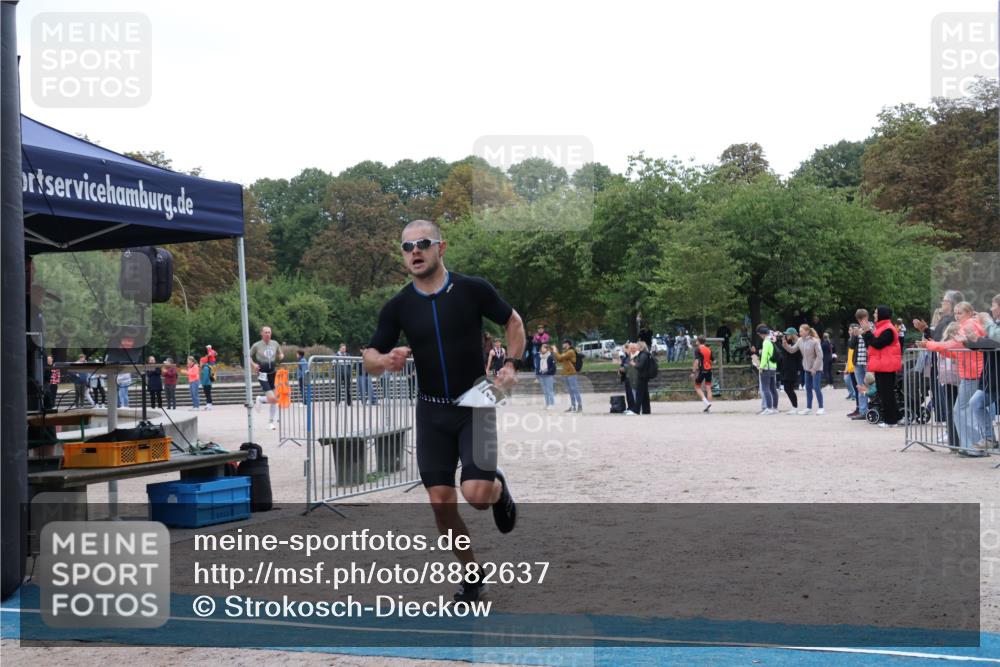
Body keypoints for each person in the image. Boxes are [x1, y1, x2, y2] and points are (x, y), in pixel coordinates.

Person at [363, 219, 524, 605]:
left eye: (423, 243)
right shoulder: (399, 306)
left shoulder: (472, 289)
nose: (415, 251)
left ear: (441, 247)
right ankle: (472, 576)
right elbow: (369, 357)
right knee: (440, 502)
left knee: (477, 496)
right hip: (431, 410)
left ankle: (497, 488)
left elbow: (513, 321)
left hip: (477, 401)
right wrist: (384, 360)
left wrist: (511, 365)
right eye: (407, 247)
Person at [860, 305, 902, 428]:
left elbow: (877, 344)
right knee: (885, 393)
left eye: (876, 313)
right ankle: (896, 417)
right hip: (882, 365)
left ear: (882, 314)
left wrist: (868, 332)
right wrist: (866, 333)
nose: (874, 315)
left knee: (886, 394)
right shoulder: (881, 328)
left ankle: (890, 421)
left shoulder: (888, 329)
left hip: (886, 366)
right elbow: (870, 343)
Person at [784, 325, 824, 415]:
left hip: (816, 368)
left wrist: (814, 368)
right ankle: (808, 408)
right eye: (799, 331)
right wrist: (785, 345)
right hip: (806, 368)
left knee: (816, 387)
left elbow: (820, 356)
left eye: (801, 331)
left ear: (807, 331)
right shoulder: (800, 340)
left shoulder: (815, 341)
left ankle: (821, 407)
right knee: (808, 388)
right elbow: (792, 350)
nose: (799, 333)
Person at [250, 326, 284, 429]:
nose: (268, 334)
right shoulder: (256, 345)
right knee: (272, 398)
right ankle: (260, 399)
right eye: (266, 332)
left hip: (273, 373)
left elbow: (280, 353)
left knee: (276, 398)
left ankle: (270, 422)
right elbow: (248, 356)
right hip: (263, 374)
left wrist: (281, 356)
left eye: (269, 332)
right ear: (261, 333)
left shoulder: (275, 343)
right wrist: (254, 365)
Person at [849, 309, 871, 421]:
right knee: (860, 387)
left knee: (871, 386)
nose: (861, 321)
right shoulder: (857, 329)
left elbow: (871, 343)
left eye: (863, 318)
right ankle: (863, 411)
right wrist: (854, 335)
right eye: (859, 319)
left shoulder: (871, 327)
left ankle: (874, 409)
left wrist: (865, 332)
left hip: (868, 362)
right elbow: (851, 346)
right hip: (858, 362)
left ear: (867, 317)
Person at [552, 340, 583, 412]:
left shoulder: (570, 351)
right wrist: (555, 352)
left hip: (571, 373)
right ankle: (573, 406)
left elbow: (560, 357)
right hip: (566, 373)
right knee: (570, 391)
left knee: (574, 390)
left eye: (564, 343)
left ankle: (580, 406)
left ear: (567, 344)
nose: (563, 345)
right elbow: (560, 360)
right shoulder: (566, 352)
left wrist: (555, 351)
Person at [756, 325, 779, 414]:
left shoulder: (766, 341)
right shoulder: (772, 340)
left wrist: (761, 367)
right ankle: (775, 408)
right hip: (773, 367)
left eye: (760, 335)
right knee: (773, 388)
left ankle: (768, 408)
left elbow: (764, 356)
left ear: (763, 334)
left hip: (767, 367)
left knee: (765, 388)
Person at [779, 327, 803, 414]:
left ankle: (795, 407)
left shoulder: (796, 344)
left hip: (792, 368)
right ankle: (794, 406)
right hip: (787, 367)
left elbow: (791, 353)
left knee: (788, 388)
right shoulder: (789, 342)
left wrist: (785, 343)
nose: (786, 335)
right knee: (787, 388)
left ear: (792, 335)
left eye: (788, 334)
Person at [692, 336, 713, 412]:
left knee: (697, 387)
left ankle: (706, 403)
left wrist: (693, 372)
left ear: (699, 341)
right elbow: (713, 360)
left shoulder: (697, 349)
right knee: (708, 388)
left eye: (696, 341)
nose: (696, 342)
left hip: (702, 370)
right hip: (709, 370)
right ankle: (709, 408)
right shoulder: (708, 349)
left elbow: (697, 361)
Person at [632, 341, 653, 415]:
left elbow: (640, 366)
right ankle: (646, 410)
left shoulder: (643, 355)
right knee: (644, 394)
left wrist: (634, 364)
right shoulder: (645, 354)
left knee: (639, 393)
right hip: (644, 376)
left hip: (642, 376)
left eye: (637, 346)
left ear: (641, 347)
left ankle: (636, 410)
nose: (636, 347)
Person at [536, 342, 556, 410]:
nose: (542, 349)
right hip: (542, 375)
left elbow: (553, 367)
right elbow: (538, 366)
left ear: (547, 349)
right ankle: (547, 404)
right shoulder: (540, 356)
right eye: (541, 348)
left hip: (548, 375)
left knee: (550, 390)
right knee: (545, 391)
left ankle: (552, 404)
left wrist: (547, 372)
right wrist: (538, 374)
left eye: (543, 348)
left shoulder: (550, 357)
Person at [619, 343, 638, 414]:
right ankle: (630, 407)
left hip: (632, 378)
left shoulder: (633, 356)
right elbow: (623, 365)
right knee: (628, 394)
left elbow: (632, 366)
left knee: (632, 394)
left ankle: (633, 408)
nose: (624, 351)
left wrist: (624, 368)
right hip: (626, 378)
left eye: (625, 349)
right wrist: (620, 369)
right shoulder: (625, 357)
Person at [333, 342, 353, 406]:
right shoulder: (336, 355)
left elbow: (351, 364)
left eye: (345, 348)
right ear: (340, 349)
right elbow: (333, 364)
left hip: (347, 374)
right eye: (343, 348)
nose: (344, 350)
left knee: (348, 388)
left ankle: (349, 402)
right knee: (338, 388)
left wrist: (349, 372)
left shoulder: (348, 355)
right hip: (339, 374)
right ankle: (337, 402)